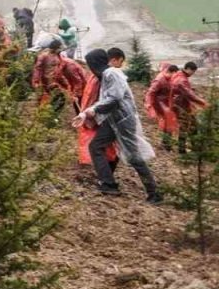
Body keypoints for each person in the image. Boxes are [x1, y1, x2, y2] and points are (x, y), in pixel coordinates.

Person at [73, 49, 161, 203]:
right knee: (96, 146)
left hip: (123, 121)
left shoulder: (111, 73)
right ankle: (108, 184)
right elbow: (106, 99)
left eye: (90, 65)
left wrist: (92, 110)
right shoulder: (105, 76)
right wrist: (86, 113)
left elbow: (114, 99)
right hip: (113, 120)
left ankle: (154, 193)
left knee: (134, 157)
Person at [170, 62, 208, 155]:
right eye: (193, 72)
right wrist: (203, 103)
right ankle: (182, 150)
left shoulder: (179, 75)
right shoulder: (182, 80)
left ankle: (192, 148)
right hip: (182, 106)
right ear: (188, 69)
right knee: (186, 127)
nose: (192, 74)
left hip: (179, 104)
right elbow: (189, 94)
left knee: (191, 126)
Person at [144, 63, 179, 149]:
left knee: (169, 122)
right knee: (168, 121)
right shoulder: (159, 80)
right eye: (175, 75)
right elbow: (150, 93)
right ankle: (166, 144)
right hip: (159, 104)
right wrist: (150, 106)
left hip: (166, 103)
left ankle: (166, 143)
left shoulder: (169, 78)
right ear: (171, 72)